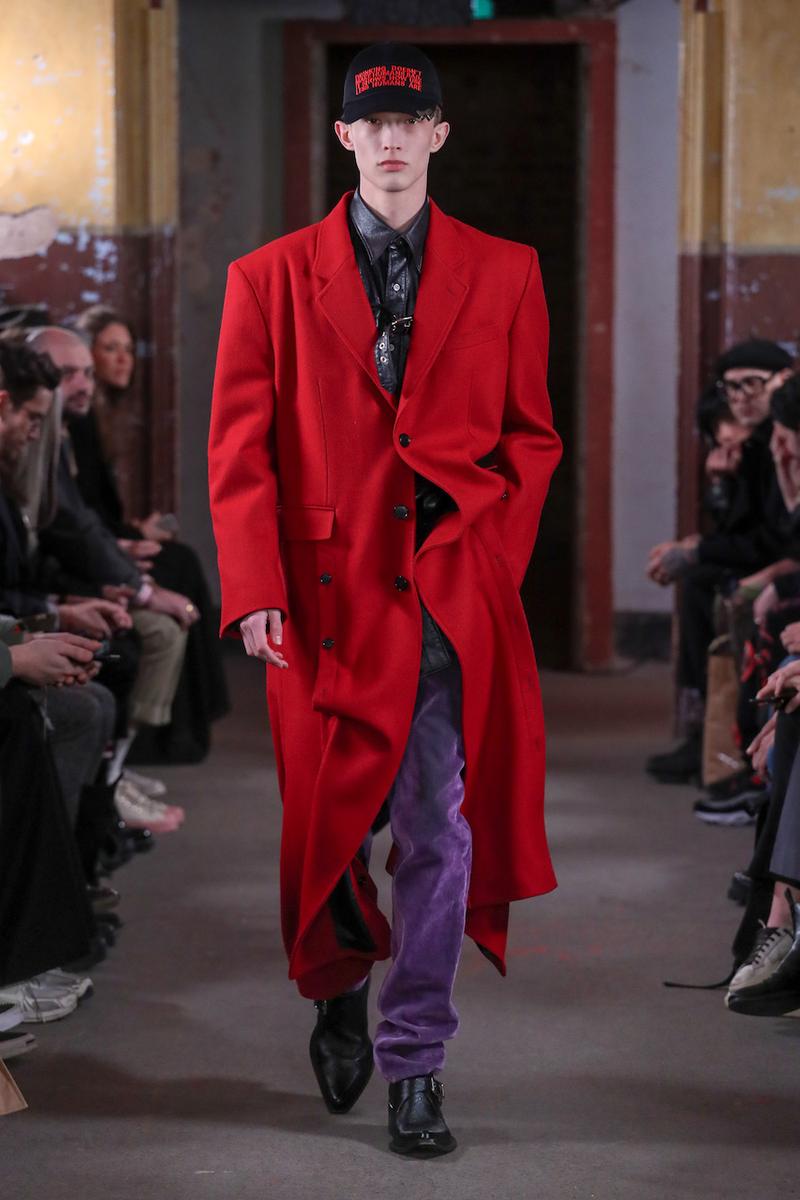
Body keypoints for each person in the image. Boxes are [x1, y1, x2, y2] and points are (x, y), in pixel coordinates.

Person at [208, 41, 561, 1156]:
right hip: (323, 602)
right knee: (326, 826)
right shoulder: (266, 278)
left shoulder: (506, 272)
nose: (394, 137)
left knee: (435, 832)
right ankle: (336, 988)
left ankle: (417, 1062)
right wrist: (253, 588)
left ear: (439, 135)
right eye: (374, 122)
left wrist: (488, 560)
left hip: (447, 596)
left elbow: (530, 439)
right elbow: (240, 450)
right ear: (346, 137)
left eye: (412, 121)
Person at [66, 305, 229, 763]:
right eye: (110, 349)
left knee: (181, 559)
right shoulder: (76, 421)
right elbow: (72, 519)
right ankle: (179, 731)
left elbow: (90, 512)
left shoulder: (103, 417)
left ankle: (190, 722)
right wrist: (123, 543)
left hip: (103, 542)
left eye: (128, 350)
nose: (123, 360)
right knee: (181, 567)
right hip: (82, 562)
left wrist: (135, 532)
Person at [646, 340, 794, 783]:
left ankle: (738, 755)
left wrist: (697, 551)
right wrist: (718, 487)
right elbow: (748, 528)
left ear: (783, 380)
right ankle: (711, 739)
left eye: (752, 384)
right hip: (777, 561)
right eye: (731, 388)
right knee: (700, 581)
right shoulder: (757, 444)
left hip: (785, 567)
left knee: (719, 586)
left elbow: (775, 540)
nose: (741, 398)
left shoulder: (782, 434)